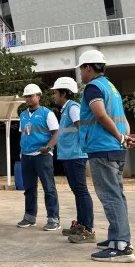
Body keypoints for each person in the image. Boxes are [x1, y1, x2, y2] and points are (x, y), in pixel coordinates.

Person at [77, 49, 135, 263]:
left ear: (88, 68)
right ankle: (116, 238)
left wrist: (120, 137)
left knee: (110, 196)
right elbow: (122, 117)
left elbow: (100, 114)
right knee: (117, 194)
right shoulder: (112, 88)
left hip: (102, 148)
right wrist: (125, 137)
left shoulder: (93, 88)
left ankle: (121, 245)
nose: (80, 75)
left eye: (81, 70)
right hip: (115, 148)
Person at [51, 77, 95, 244]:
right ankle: (81, 224)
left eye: (56, 93)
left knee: (81, 191)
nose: (54, 96)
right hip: (69, 155)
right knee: (77, 191)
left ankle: (88, 229)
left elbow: (81, 128)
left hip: (76, 155)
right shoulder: (66, 109)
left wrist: (86, 148)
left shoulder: (73, 108)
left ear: (63, 93)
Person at [17, 83, 61, 231]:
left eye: (31, 96)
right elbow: (24, 134)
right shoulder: (23, 115)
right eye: (26, 96)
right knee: (29, 188)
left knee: (49, 188)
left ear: (39, 96)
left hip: (42, 155)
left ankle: (53, 219)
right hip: (26, 156)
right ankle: (29, 217)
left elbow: (56, 133)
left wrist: (48, 148)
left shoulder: (47, 113)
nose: (28, 99)